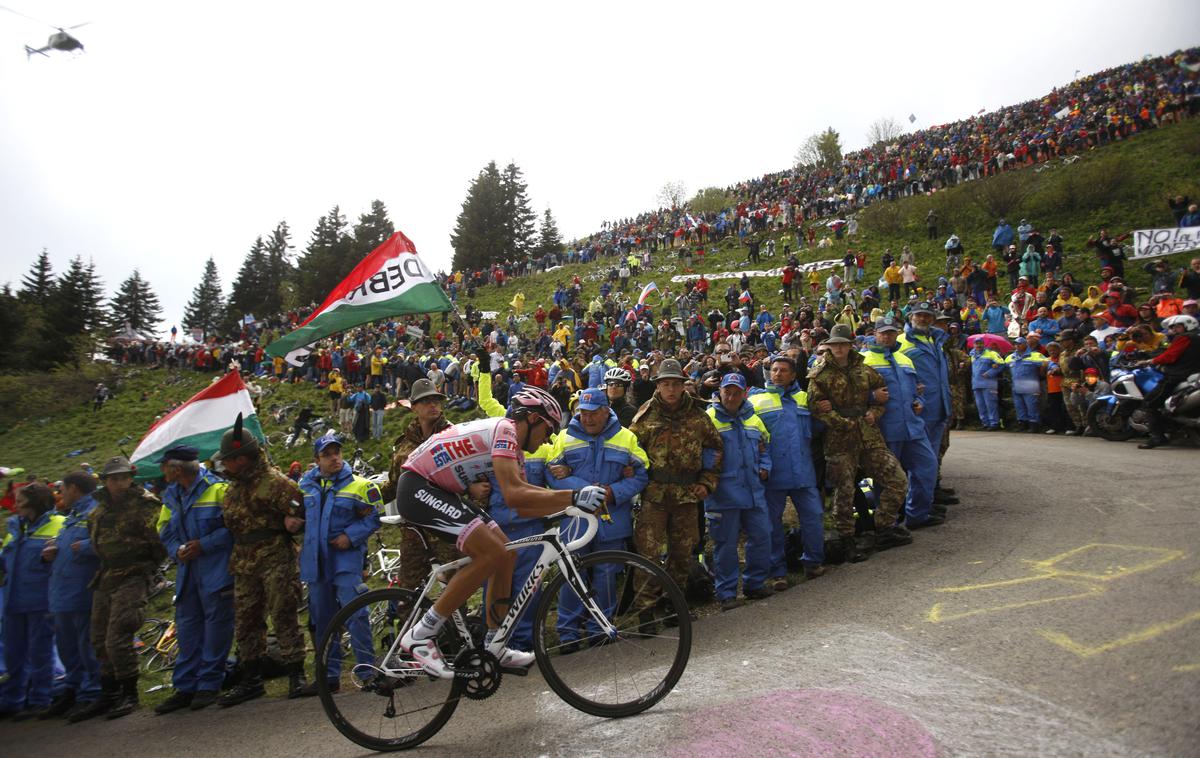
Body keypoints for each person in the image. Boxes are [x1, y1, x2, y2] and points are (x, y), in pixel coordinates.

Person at [394, 386, 606, 677]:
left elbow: (521, 504)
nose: (549, 437)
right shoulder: (505, 430)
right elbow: (516, 494)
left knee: (505, 554)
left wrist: (568, 509)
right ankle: (421, 634)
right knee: (490, 553)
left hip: (440, 491)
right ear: (532, 419)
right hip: (418, 487)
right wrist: (573, 496)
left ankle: (495, 644)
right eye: (548, 429)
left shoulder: (514, 451)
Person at [213, 415, 308, 707]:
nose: (225, 465)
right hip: (244, 562)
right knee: (246, 621)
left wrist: (294, 522)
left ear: (242, 459)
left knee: (284, 613)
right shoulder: (233, 489)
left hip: (275, 558)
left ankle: (297, 676)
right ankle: (251, 679)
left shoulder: (277, 483)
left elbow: (301, 514)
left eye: (228, 459)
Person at [545, 387, 648, 650]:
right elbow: (551, 474)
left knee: (606, 575)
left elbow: (642, 474)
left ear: (606, 411)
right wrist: (583, 492)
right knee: (571, 574)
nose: (587, 419)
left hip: (612, 520)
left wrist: (613, 493)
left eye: (593, 414)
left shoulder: (626, 438)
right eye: (582, 413)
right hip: (576, 519)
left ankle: (599, 628)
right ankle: (568, 633)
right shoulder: (564, 437)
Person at [806, 324, 912, 561]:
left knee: (897, 480)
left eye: (843, 344)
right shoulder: (819, 375)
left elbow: (882, 393)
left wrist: (875, 412)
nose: (840, 348)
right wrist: (842, 422)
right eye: (835, 345)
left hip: (869, 436)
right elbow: (816, 407)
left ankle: (883, 527)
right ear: (830, 347)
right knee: (844, 492)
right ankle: (847, 540)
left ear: (849, 346)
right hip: (839, 440)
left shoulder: (864, 370)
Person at [629, 359, 724, 622]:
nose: (671, 389)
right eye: (665, 384)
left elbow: (715, 449)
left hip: (686, 494)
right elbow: (631, 450)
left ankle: (674, 605)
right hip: (654, 495)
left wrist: (707, 483)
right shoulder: (645, 415)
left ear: (683, 386)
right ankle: (645, 610)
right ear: (658, 386)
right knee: (647, 553)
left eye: (675, 384)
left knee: (682, 552)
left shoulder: (698, 415)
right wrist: (635, 481)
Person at [296, 433, 382, 695]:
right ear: (317, 460)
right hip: (316, 563)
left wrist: (351, 536)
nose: (334, 458)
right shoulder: (304, 487)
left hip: (345, 560)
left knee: (356, 614)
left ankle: (368, 673)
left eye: (337, 452)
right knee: (323, 620)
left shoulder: (360, 485)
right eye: (328, 454)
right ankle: (329, 677)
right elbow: (296, 515)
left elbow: (376, 517)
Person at [153, 446, 235, 715]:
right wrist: (176, 549)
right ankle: (185, 686)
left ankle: (210, 684)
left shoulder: (219, 489)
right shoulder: (171, 495)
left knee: (216, 631)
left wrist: (205, 544)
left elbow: (233, 526)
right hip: (187, 572)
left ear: (176, 469)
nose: (162, 470)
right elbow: (164, 528)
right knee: (187, 630)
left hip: (216, 570)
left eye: (165, 465)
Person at [83, 456, 166, 720]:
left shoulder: (145, 505)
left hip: (134, 573)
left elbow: (158, 540)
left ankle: (130, 693)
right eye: (113, 478)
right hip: (106, 575)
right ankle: (109, 693)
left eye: (123, 477)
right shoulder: (99, 512)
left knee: (118, 635)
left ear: (131, 478)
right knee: (98, 638)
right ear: (105, 481)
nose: (119, 483)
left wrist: (149, 569)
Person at [748, 355, 826, 588]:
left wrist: (822, 411)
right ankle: (778, 572)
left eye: (783, 370)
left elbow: (818, 429)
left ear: (793, 375)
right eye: (774, 370)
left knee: (814, 517)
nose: (778, 374)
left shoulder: (805, 398)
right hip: (773, 475)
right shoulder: (757, 400)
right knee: (772, 524)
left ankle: (813, 562)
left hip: (803, 472)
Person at [862, 318, 944, 529]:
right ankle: (887, 525)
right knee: (886, 479)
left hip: (913, 428)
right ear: (875, 334)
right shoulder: (864, 360)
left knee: (928, 466)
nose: (887, 336)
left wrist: (920, 402)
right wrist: (872, 395)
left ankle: (917, 515)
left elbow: (917, 388)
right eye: (883, 333)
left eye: (891, 332)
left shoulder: (905, 359)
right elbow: (851, 395)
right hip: (886, 430)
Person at [704, 374, 773, 610]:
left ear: (745, 393)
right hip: (723, 494)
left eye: (736, 392)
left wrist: (765, 467)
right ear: (720, 392)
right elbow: (698, 454)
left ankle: (755, 584)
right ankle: (726, 593)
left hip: (754, 491)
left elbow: (765, 446)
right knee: (725, 544)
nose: (731, 397)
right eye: (727, 392)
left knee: (762, 536)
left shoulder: (753, 418)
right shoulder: (708, 419)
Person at [0, 483, 63, 719]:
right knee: (13, 654)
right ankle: (12, 700)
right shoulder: (15, 527)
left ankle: (40, 699)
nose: (15, 505)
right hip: (12, 601)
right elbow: (7, 558)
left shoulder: (58, 525)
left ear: (34, 503)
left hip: (40, 602)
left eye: (20, 501)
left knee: (41, 653)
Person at [42, 471, 102, 721]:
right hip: (62, 594)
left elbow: (107, 542)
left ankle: (92, 693)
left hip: (82, 592)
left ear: (75, 489)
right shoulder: (71, 516)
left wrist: (87, 547)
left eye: (63, 489)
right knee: (67, 648)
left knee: (86, 646)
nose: (60, 495)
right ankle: (74, 689)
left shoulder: (94, 512)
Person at [1137, 314, 1200, 449]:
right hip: (1192, 375)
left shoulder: (1184, 338)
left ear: (1188, 325)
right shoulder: (1197, 337)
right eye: (1173, 327)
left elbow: (1170, 356)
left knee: (1150, 402)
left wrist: (1151, 361)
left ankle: (1157, 437)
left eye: (1178, 326)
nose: (1174, 330)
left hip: (1177, 375)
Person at [1005, 337, 1049, 432]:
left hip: (1030, 386)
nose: (1017, 346)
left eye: (1019, 344)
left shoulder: (1035, 355)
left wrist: (1044, 370)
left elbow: (1048, 362)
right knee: (1019, 406)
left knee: (1032, 406)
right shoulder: (1011, 357)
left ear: (1026, 344)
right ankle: (1022, 424)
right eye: (1015, 344)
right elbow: (1001, 365)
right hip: (1016, 386)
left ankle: (1034, 425)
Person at [969, 338, 1005, 431]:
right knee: (980, 405)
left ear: (984, 344)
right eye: (976, 344)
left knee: (991, 404)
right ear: (973, 345)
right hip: (976, 383)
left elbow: (1001, 364)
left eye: (980, 343)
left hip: (989, 383)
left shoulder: (991, 354)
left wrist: (990, 373)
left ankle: (994, 423)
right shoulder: (972, 355)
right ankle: (985, 423)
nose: (978, 345)